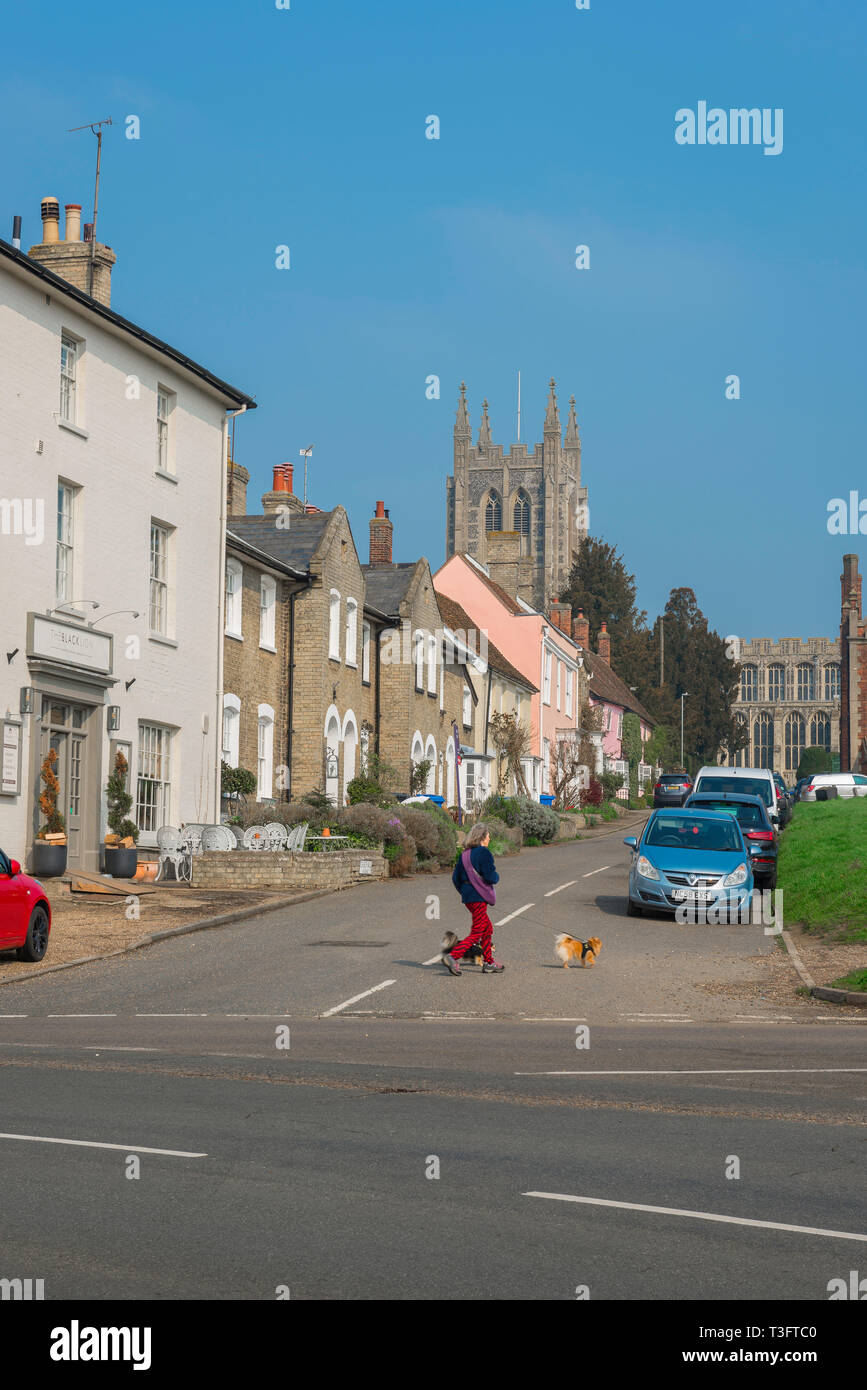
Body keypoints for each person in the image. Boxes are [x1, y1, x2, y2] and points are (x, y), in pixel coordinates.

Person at [442, 821, 504, 975]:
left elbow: (456, 878)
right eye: (488, 836)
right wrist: (496, 877)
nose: (489, 839)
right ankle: (452, 956)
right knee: (477, 932)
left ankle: (489, 962)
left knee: (487, 928)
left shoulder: (465, 855)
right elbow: (490, 877)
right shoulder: (484, 853)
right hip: (479, 898)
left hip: (468, 898)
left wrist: (466, 892)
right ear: (482, 837)